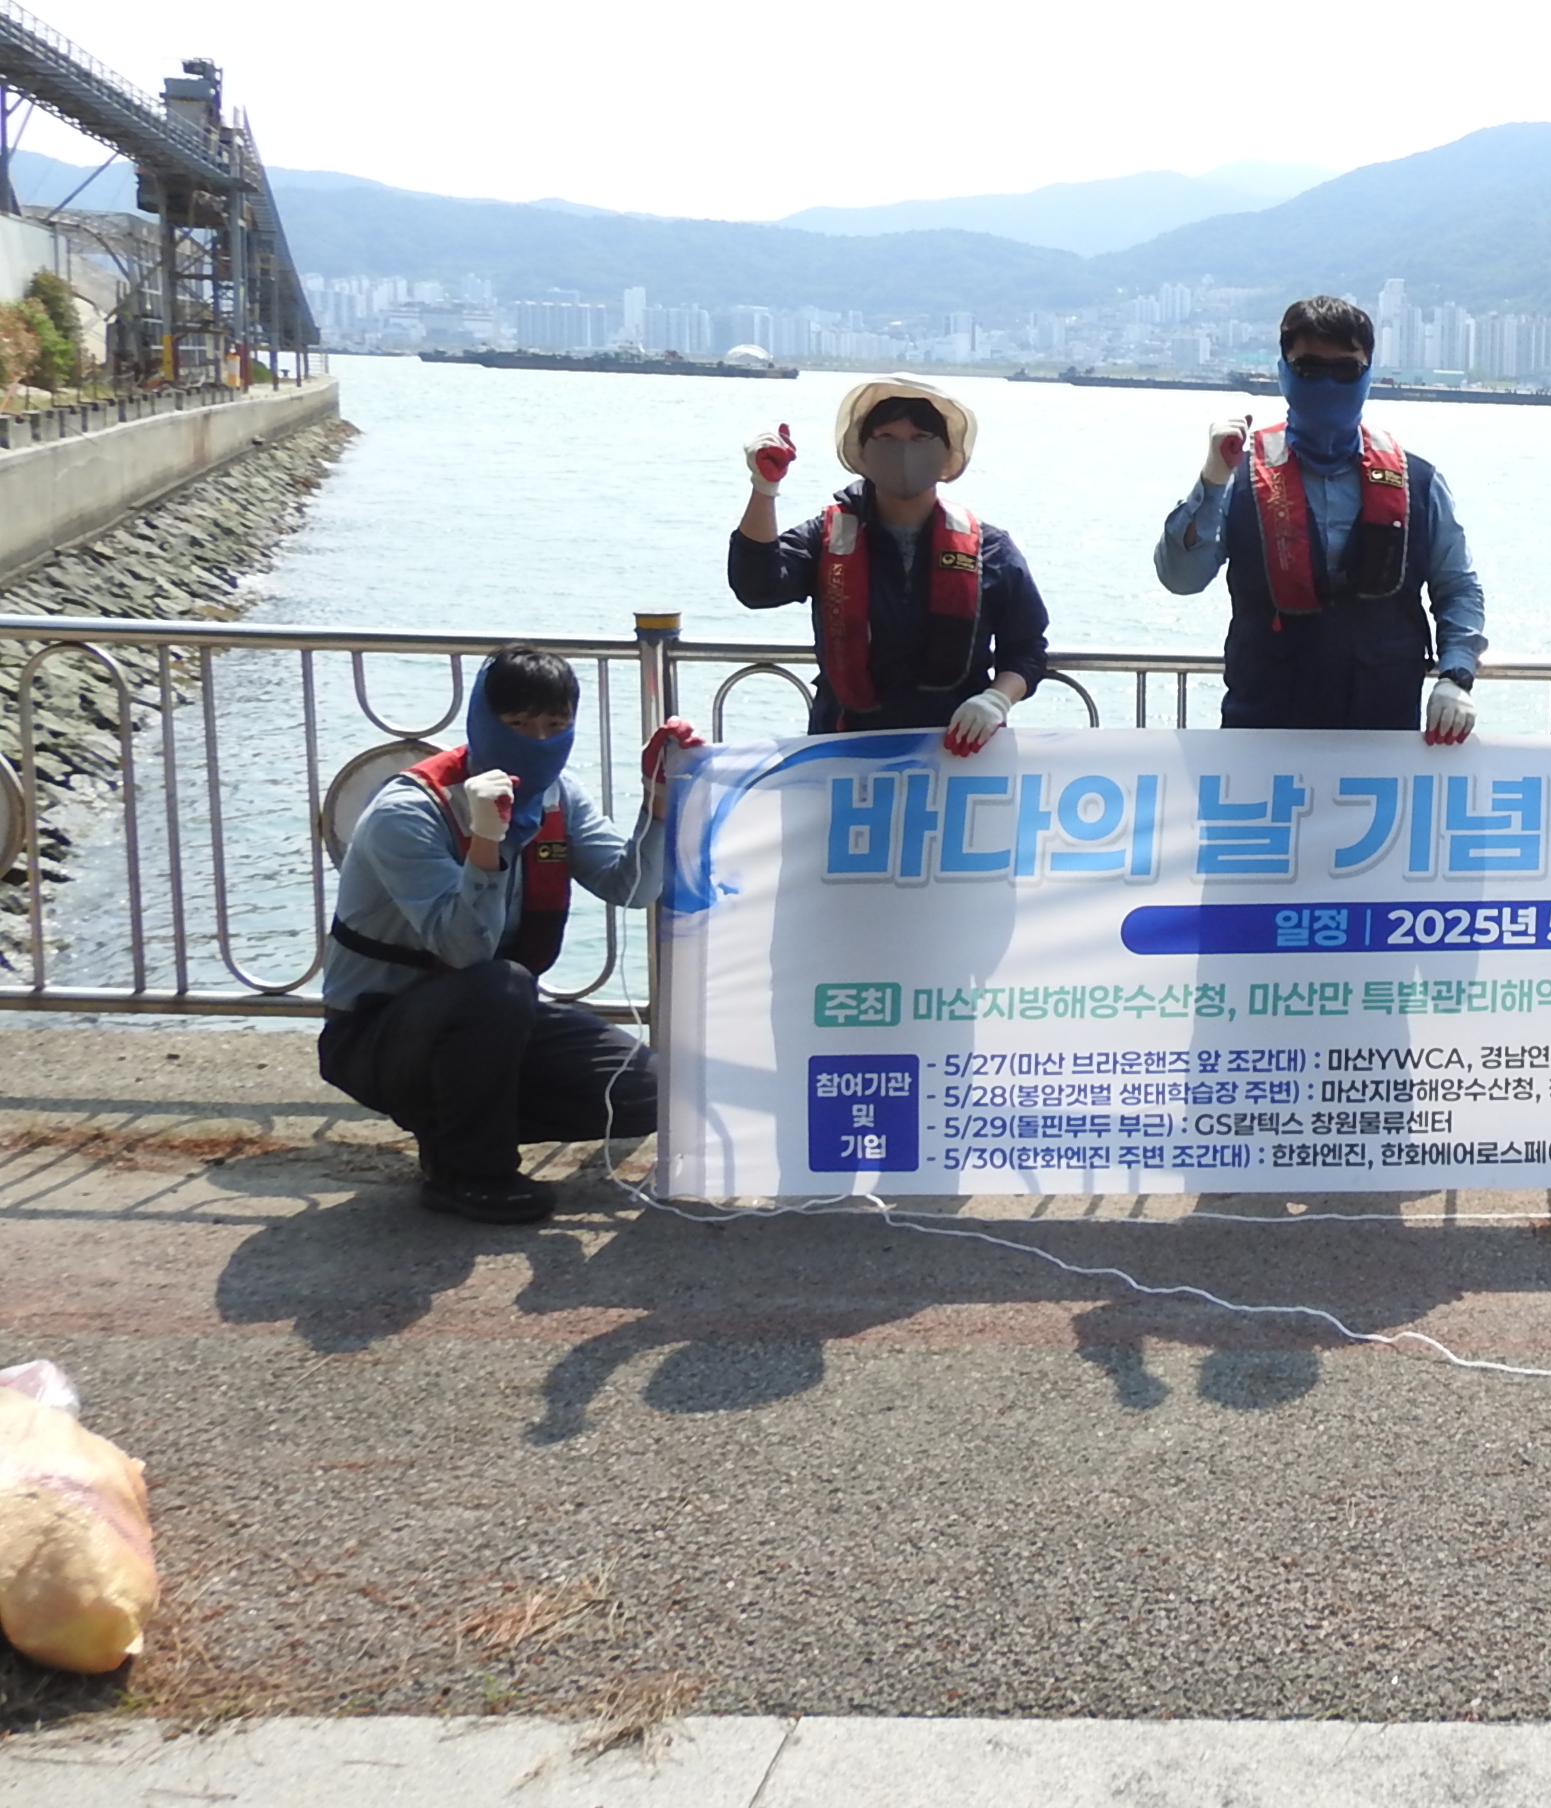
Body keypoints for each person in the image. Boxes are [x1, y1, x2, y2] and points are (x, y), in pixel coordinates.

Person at [319, 647, 703, 1224]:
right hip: (377, 1031)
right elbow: (466, 950)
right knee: (499, 984)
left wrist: (659, 805)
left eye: (555, 725)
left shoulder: (558, 795)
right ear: (481, 719)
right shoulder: (408, 813)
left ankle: (457, 1122)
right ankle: (468, 1172)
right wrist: (486, 843)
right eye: (518, 724)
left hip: (496, 1022)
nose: (537, 741)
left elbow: (630, 887)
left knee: (655, 1091)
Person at [1156, 294, 1485, 740]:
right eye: (1309, 368)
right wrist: (1211, 480)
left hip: (1384, 735)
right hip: (1262, 733)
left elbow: (1458, 587)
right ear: (1283, 372)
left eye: (1345, 370)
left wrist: (1455, 675)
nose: (1328, 384)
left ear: (1367, 374)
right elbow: (1181, 579)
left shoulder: (1419, 482)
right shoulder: (1236, 477)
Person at [728, 376, 1048, 752]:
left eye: (920, 438)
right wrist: (764, 488)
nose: (904, 452)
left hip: (958, 752)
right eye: (886, 438)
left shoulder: (990, 548)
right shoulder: (825, 537)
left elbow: (1027, 648)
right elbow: (758, 587)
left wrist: (995, 700)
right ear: (863, 453)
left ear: (946, 453)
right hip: (844, 749)